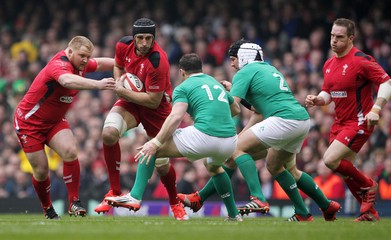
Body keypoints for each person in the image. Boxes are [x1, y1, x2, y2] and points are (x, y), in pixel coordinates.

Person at [179, 39, 340, 222]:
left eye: (234, 58)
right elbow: (258, 109)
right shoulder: (269, 69)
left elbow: (231, 107)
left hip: (283, 120)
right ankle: (320, 207)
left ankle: (258, 198)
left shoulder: (244, 72)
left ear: (243, 57)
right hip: (301, 120)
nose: (232, 63)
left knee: (235, 149)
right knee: (279, 167)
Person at [105, 53, 242, 221]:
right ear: (202, 69)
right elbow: (236, 109)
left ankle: (134, 196)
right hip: (230, 140)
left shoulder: (183, 88)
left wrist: (156, 142)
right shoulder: (215, 82)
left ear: (181, 72)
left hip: (205, 135)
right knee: (215, 168)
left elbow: (176, 117)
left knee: (151, 149)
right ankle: (234, 215)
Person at [13, 36, 115, 219]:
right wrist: (98, 85)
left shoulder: (81, 64)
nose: (85, 60)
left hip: (54, 121)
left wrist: (129, 64)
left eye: (87, 56)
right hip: (29, 123)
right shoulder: (58, 65)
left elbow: (99, 64)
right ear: (69, 52)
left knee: (70, 151)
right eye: (82, 55)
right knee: (42, 170)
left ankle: (74, 202)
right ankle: (48, 208)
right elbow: (67, 81)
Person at [94, 18, 186, 220]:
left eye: (148, 38)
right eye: (140, 38)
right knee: (108, 133)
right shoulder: (122, 45)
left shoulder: (158, 60)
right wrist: (120, 83)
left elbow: (153, 101)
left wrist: (123, 92)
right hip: (131, 101)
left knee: (161, 164)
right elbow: (118, 66)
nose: (144, 43)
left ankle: (174, 201)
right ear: (133, 38)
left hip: (156, 109)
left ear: (154, 38)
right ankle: (115, 191)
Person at [305, 18, 391, 222]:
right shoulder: (328, 64)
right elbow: (329, 92)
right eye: (332, 36)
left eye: (339, 37)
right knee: (347, 172)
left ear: (351, 38)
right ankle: (369, 214)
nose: (334, 40)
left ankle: (369, 184)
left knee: (329, 160)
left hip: (360, 121)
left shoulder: (361, 60)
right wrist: (319, 99)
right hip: (340, 123)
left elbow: (387, 83)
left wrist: (377, 109)